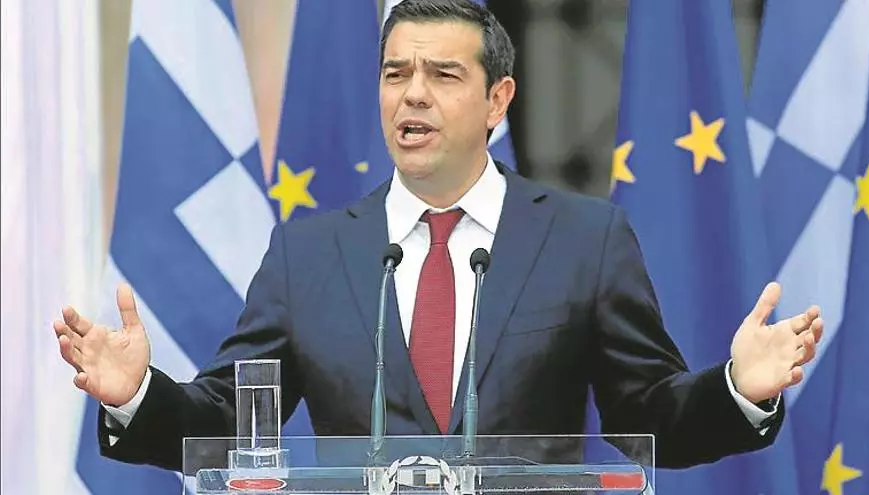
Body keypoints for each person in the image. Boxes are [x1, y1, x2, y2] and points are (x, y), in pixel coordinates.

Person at [54, 0, 823, 474]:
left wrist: (737, 386)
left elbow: (651, 415)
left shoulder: (585, 239)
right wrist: (137, 395)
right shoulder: (307, 254)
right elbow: (228, 420)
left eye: (443, 76)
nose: (412, 95)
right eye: (395, 74)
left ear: (498, 99)